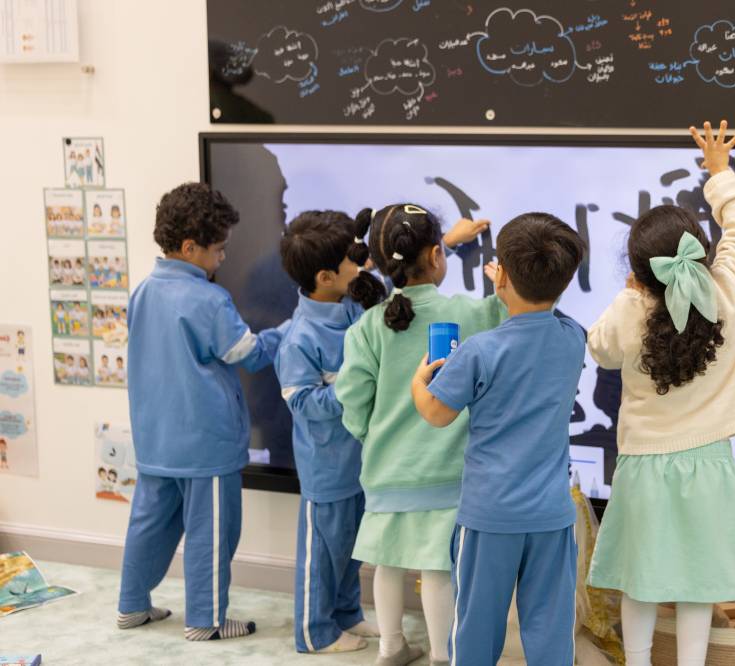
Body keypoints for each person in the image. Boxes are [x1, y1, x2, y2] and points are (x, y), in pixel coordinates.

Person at [586, 121, 735, 666]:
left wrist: (628, 297)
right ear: (700, 252)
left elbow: (599, 349)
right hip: (708, 463)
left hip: (643, 465)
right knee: (697, 581)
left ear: (638, 272)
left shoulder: (630, 309)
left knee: (640, 578)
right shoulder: (727, 289)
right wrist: (720, 172)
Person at [411, 212, 587, 666]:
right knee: (551, 632)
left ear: (501, 276)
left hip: (489, 516)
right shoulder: (573, 339)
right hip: (550, 516)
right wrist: (523, 285)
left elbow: (436, 413)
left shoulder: (479, 351)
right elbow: (549, 312)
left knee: (475, 629)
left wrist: (418, 382)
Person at [117, 182, 287, 641]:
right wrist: (286, 331)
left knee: (148, 525)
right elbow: (249, 354)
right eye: (219, 249)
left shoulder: (143, 292)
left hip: (155, 441)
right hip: (206, 445)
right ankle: (206, 620)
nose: (223, 258)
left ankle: (131, 605)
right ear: (191, 248)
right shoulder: (209, 300)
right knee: (211, 535)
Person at [336, 205, 499, 665]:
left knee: (387, 562)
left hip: (387, 471)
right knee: (437, 566)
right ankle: (444, 655)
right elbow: (508, 316)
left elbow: (352, 399)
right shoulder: (467, 313)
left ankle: (391, 647)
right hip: (446, 471)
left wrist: (373, 437)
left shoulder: (367, 326)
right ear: (436, 255)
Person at [275, 210, 385, 654]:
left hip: (362, 462)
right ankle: (314, 632)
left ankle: (346, 613)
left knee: (351, 547)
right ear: (325, 277)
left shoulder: (352, 303)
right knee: (323, 553)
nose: (361, 264)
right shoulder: (299, 339)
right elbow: (302, 403)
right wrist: (353, 387)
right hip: (327, 468)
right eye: (351, 260)